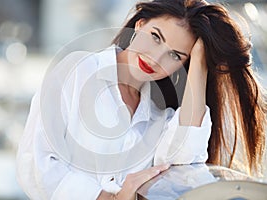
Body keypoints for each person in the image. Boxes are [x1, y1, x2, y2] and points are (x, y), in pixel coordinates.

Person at [16, 0, 266, 199]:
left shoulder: (161, 113)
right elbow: (35, 163)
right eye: (155, 37)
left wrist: (199, 64)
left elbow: (184, 165)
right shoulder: (77, 71)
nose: (156, 57)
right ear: (140, 24)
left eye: (175, 55)